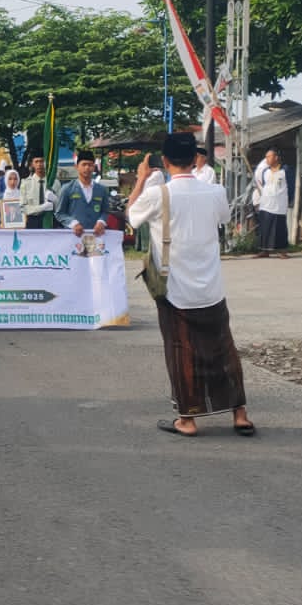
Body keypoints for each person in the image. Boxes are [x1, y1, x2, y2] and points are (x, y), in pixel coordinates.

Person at [125, 132, 253, 438]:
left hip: (174, 288)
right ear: (195, 160)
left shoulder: (158, 194)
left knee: (180, 350)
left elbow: (132, 216)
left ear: (165, 160)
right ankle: (240, 414)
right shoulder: (215, 191)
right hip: (211, 285)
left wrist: (141, 178)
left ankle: (188, 419)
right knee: (224, 349)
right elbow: (224, 218)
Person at [55, 151, 112, 238]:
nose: (87, 168)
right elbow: (59, 213)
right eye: (84, 164)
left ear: (94, 167)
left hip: (95, 236)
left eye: (90, 165)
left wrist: (101, 221)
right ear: (77, 167)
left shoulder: (102, 190)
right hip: (73, 236)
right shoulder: (67, 188)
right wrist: (73, 223)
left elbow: (105, 211)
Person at [253, 149, 291, 258]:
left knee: (280, 228)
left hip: (279, 204)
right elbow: (263, 185)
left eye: (269, 157)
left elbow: (291, 186)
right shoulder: (265, 171)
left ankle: (282, 251)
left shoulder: (285, 170)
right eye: (266, 157)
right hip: (266, 204)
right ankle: (264, 250)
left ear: (276, 157)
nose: (267, 159)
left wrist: (290, 200)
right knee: (265, 227)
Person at [19, 156, 57, 229]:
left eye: (42, 161)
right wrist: (42, 208)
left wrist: (55, 200)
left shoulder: (54, 182)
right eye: (36, 162)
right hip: (33, 222)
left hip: (50, 220)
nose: (39, 164)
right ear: (32, 164)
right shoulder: (26, 183)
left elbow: (61, 208)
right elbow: (23, 208)